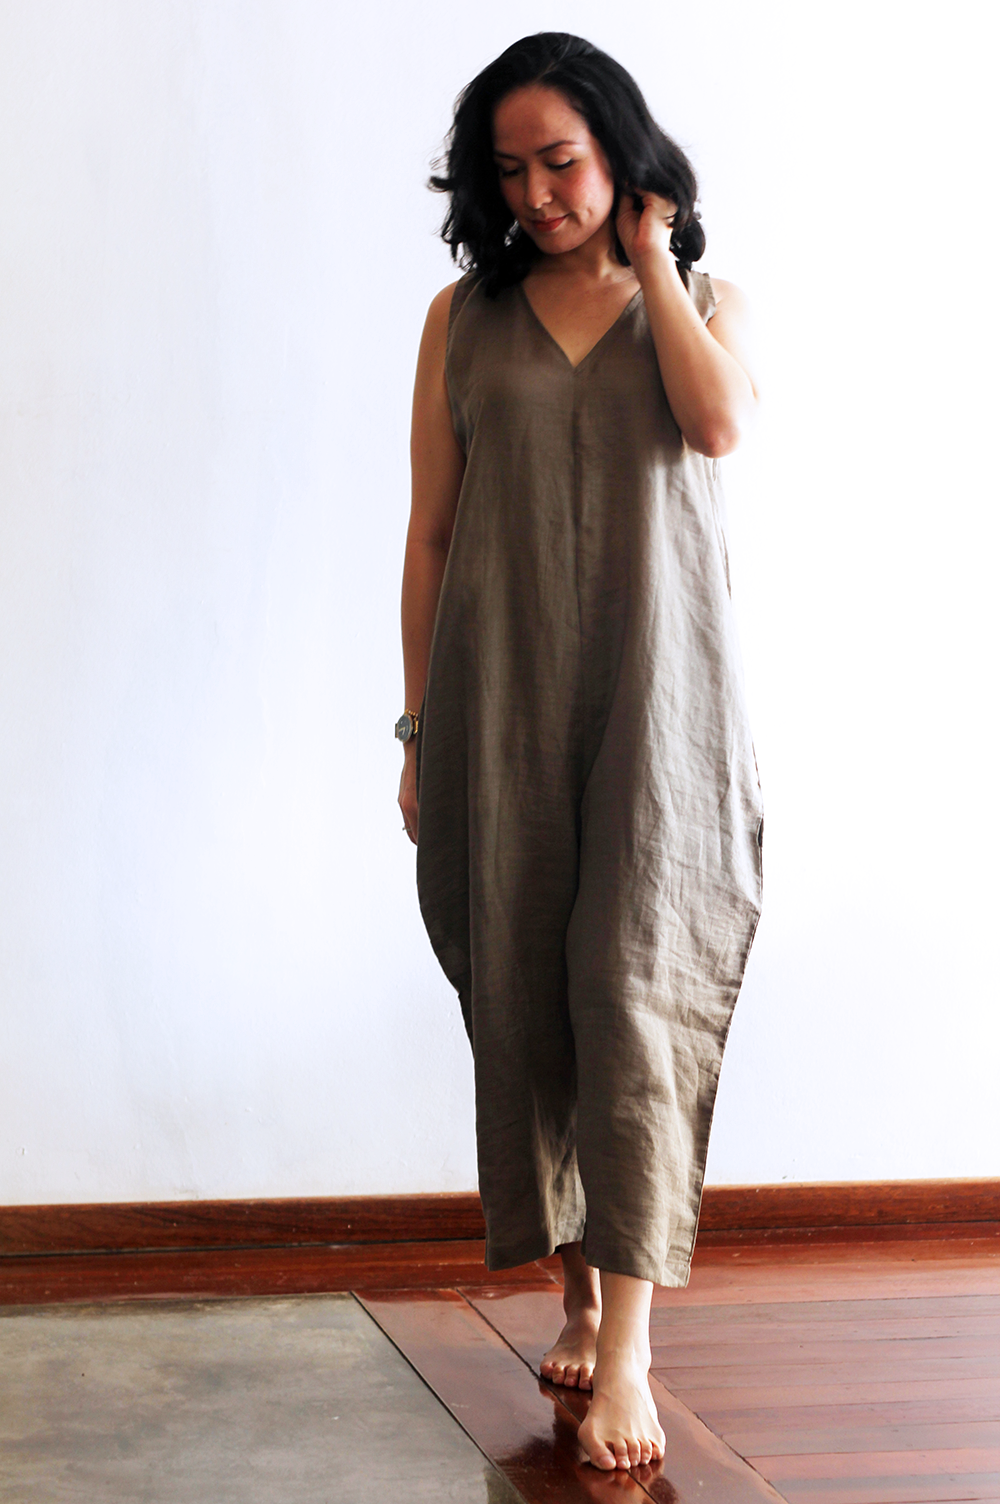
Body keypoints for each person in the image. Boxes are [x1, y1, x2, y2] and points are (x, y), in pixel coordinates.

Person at [396, 32, 764, 1473]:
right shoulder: (462, 319)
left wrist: (654, 258)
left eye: (562, 160)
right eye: (510, 171)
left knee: (634, 999)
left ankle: (630, 1355)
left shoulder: (706, 304)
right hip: (498, 702)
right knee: (526, 997)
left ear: (621, 151)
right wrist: (418, 727)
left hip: (661, 713)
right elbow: (431, 536)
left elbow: (717, 425)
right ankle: (575, 1291)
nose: (538, 195)